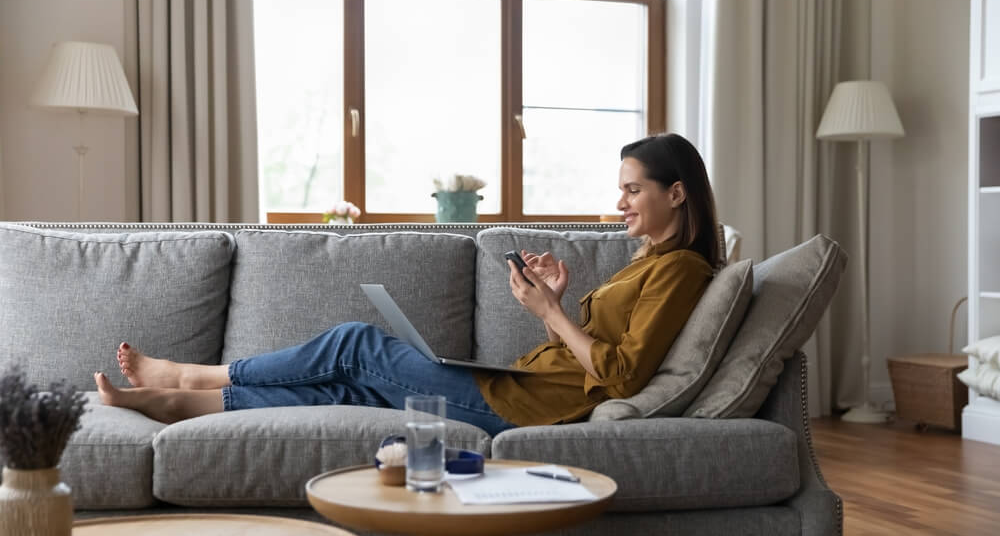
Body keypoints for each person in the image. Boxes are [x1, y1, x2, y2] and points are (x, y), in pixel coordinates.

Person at [95, 133, 718, 435]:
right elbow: (593, 347)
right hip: (515, 391)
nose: (621, 202)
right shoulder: (647, 261)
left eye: (633, 189)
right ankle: (176, 404)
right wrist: (553, 303)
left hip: (526, 412)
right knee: (344, 392)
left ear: (677, 192)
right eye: (623, 189)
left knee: (355, 345)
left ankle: (197, 376)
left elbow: (624, 374)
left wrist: (552, 311)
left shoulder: (684, 269)